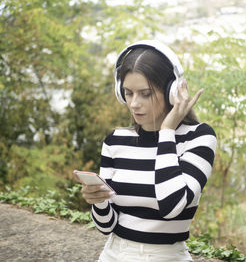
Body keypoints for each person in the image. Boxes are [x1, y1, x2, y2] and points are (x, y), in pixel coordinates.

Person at [77, 40, 217, 262]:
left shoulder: (199, 137)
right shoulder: (115, 141)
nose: (134, 104)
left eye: (145, 93)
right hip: (114, 254)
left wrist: (167, 132)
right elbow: (106, 226)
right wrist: (98, 200)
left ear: (172, 91)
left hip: (168, 256)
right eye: (128, 93)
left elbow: (172, 206)